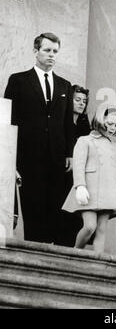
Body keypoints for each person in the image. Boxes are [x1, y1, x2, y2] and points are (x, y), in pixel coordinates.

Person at [4, 33, 74, 244]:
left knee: (55, 209)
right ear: (36, 51)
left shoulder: (64, 85)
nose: (51, 55)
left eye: (55, 51)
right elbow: (9, 119)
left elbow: (67, 123)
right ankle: (36, 252)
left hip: (57, 158)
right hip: (28, 157)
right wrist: (11, 158)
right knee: (33, 207)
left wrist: (70, 153)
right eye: (47, 50)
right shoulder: (18, 80)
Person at [62, 104, 116, 256]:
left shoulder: (114, 146)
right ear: (101, 119)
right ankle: (75, 253)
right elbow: (78, 165)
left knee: (101, 229)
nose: (113, 128)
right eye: (110, 124)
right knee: (89, 226)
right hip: (89, 190)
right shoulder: (84, 140)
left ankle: (97, 261)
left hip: (109, 191)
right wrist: (79, 185)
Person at [57, 85, 91, 247]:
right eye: (77, 100)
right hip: (63, 174)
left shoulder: (86, 125)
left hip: (79, 176)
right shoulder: (60, 123)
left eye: (84, 101)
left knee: (77, 215)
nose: (81, 104)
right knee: (63, 211)